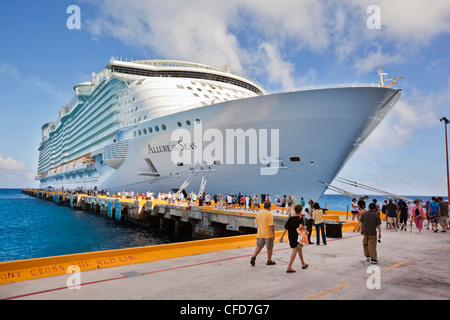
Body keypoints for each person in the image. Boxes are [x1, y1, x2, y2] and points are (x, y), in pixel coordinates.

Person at [279, 204, 308, 272]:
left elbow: (286, 228)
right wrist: (304, 227)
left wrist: (282, 236)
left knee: (299, 249)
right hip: (298, 237)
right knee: (295, 250)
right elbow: (300, 227)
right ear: (300, 210)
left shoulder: (290, 218)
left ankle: (303, 263)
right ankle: (289, 266)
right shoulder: (300, 218)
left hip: (291, 236)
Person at [250, 201, 276, 266]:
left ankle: (254, 256)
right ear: (270, 207)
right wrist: (273, 234)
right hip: (267, 234)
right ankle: (269, 260)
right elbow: (271, 225)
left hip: (260, 233)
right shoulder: (269, 214)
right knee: (269, 247)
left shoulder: (259, 213)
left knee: (259, 246)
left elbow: (256, 222)